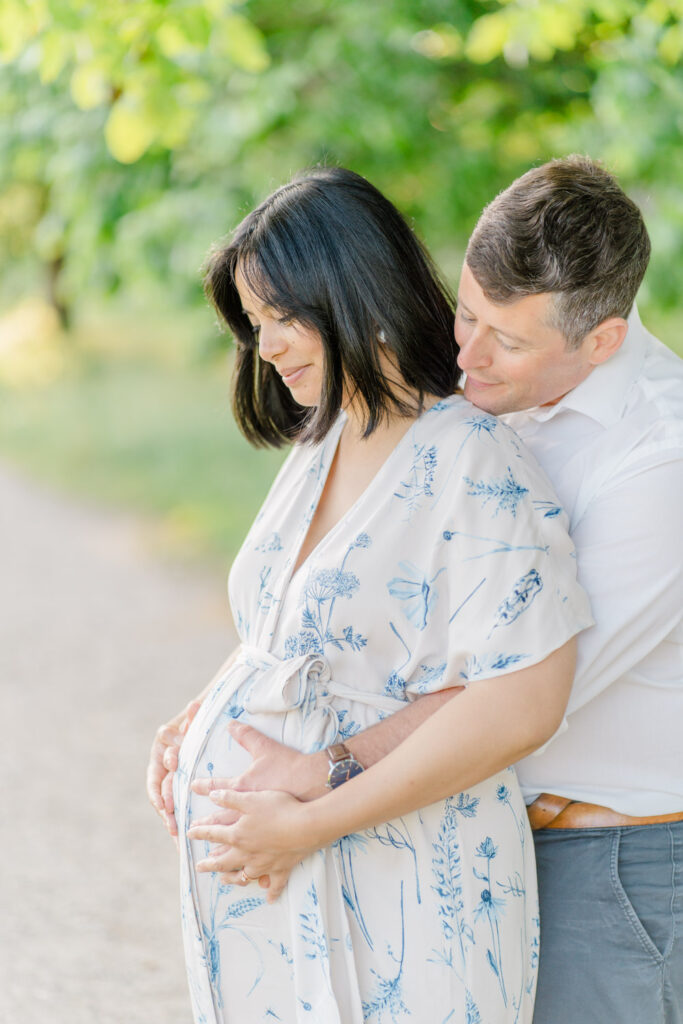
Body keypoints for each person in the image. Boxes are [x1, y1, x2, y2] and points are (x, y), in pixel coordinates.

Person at [174, 156, 683, 1024]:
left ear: (599, 339)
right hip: (438, 830)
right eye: (466, 313)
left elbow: (518, 693)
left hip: (605, 861)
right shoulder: (434, 410)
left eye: (506, 340)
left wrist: (319, 782)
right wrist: (215, 712)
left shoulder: (655, 461)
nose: (467, 354)